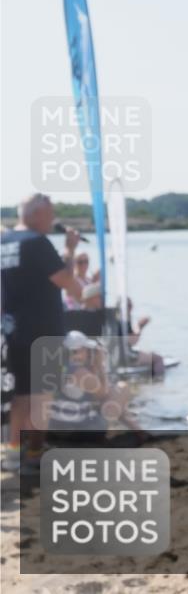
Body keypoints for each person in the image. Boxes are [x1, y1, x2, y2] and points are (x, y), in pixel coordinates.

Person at [0, 194, 84, 457]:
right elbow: (67, 281)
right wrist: (69, 249)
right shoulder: (38, 242)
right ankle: (35, 451)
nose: (53, 219)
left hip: (12, 329)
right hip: (43, 330)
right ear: (35, 214)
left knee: (20, 395)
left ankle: (12, 453)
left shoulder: (4, 241)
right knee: (42, 397)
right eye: (50, 214)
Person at [47, 331, 141, 434]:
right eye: (86, 349)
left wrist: (93, 368)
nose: (89, 353)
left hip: (56, 425)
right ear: (79, 350)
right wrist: (100, 366)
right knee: (123, 388)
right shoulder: (80, 373)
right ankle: (139, 432)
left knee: (112, 398)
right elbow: (103, 394)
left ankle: (139, 431)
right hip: (74, 430)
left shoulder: (62, 366)